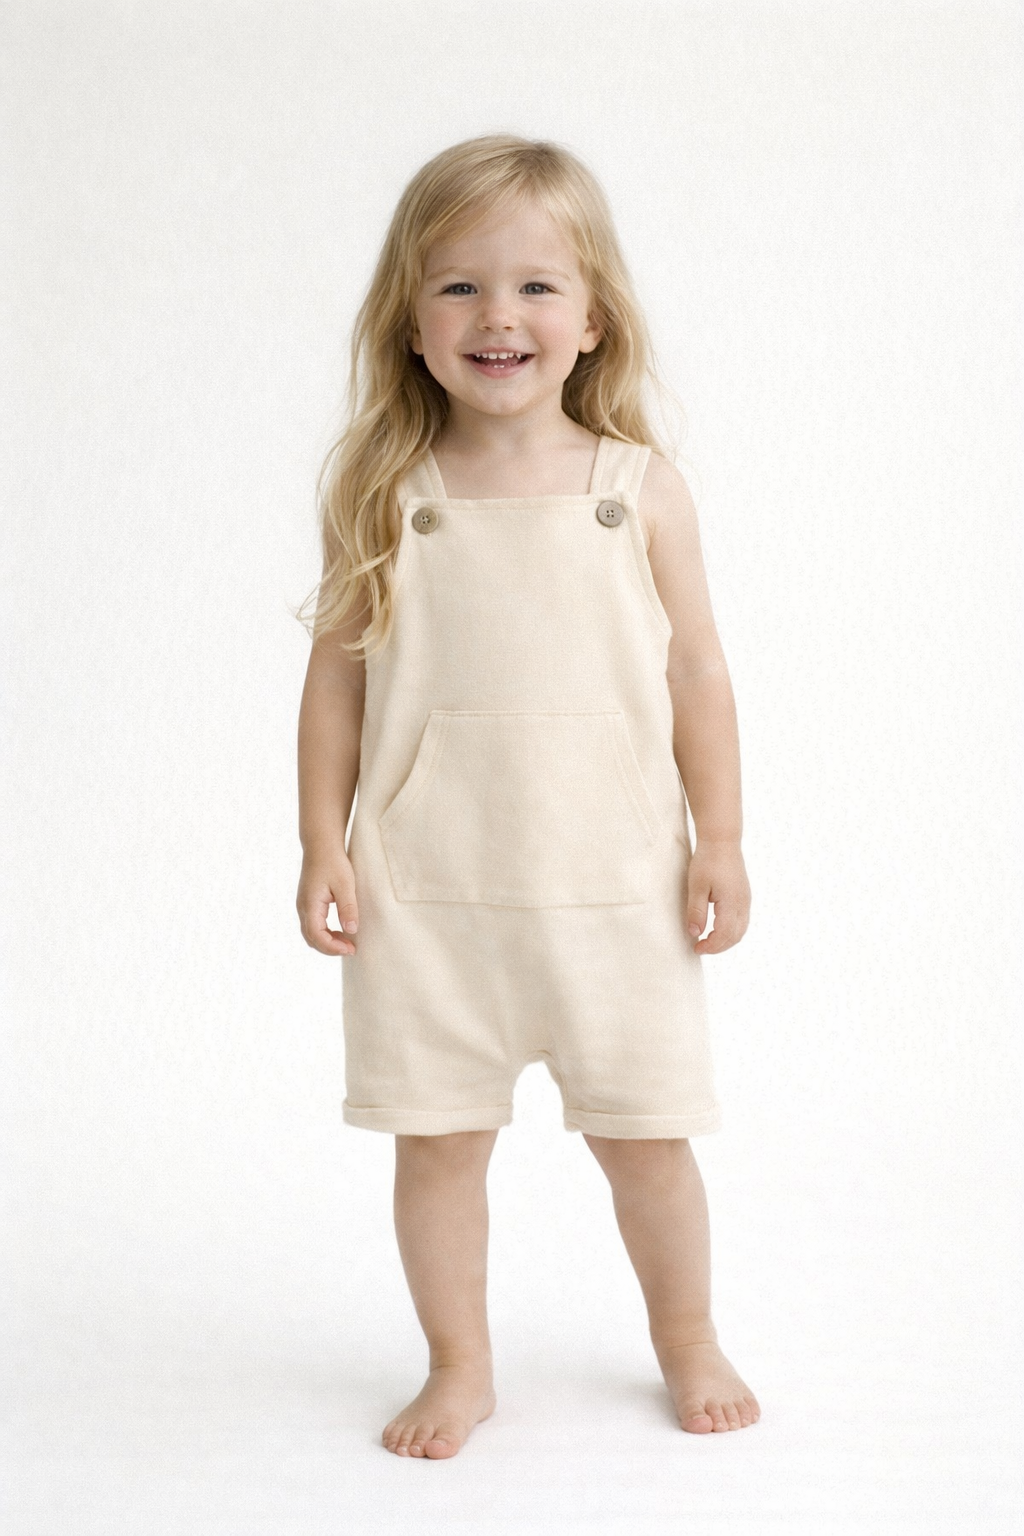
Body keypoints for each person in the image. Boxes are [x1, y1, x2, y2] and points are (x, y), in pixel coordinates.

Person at [295, 133, 761, 1459]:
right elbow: (335, 677)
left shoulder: (638, 489)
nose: (500, 316)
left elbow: (701, 670)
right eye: (459, 288)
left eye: (536, 287)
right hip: (426, 895)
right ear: (410, 322)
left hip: (615, 885)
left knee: (648, 1141)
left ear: (594, 317)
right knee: (436, 1146)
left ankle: (688, 1337)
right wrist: (319, 842)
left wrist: (717, 835)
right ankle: (459, 1363)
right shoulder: (387, 491)